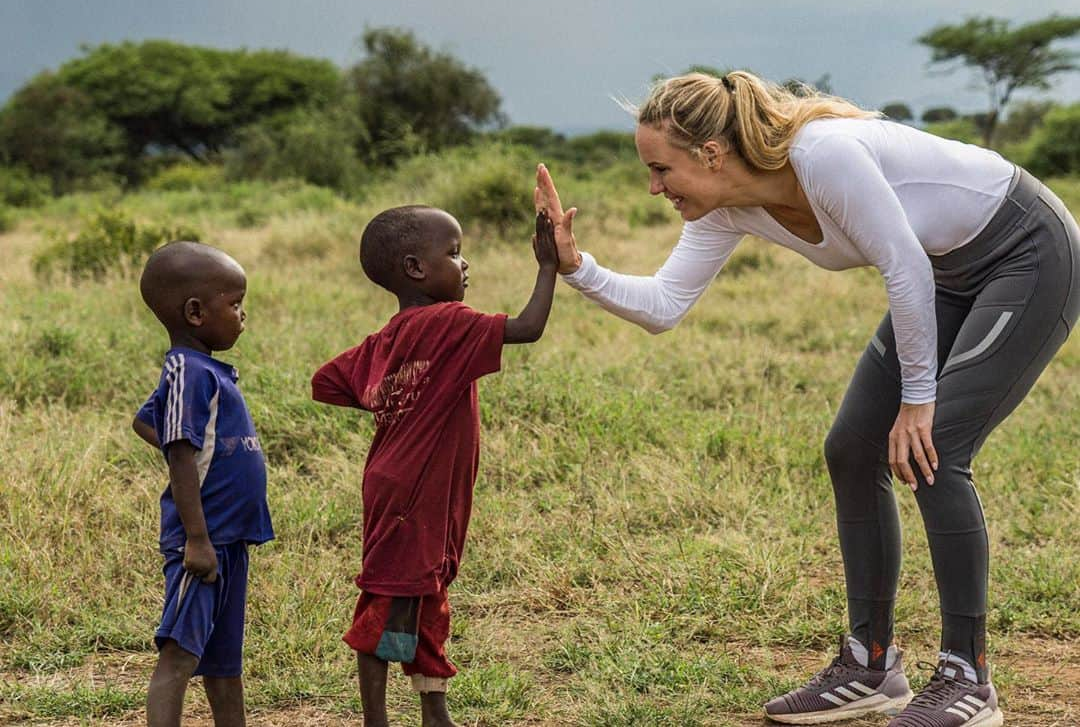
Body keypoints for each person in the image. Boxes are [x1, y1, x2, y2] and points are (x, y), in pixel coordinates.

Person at [535, 71, 1080, 727]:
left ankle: (968, 676)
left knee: (937, 446)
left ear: (711, 153)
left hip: (1026, 249)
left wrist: (917, 400)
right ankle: (870, 663)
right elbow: (663, 305)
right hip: (947, 271)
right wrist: (576, 267)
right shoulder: (728, 206)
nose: (654, 187)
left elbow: (903, 265)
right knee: (852, 448)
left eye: (661, 168)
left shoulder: (822, 155)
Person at [310, 200, 558, 727]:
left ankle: (434, 712)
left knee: (424, 598)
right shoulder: (449, 322)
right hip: (414, 496)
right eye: (454, 252)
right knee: (391, 605)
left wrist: (391, 392)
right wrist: (547, 266)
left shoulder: (388, 338)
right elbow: (529, 327)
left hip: (402, 486)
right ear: (416, 269)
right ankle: (376, 720)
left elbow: (327, 381)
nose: (465, 263)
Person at [132, 241, 274, 727]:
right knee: (180, 653)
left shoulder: (205, 369)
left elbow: (147, 422)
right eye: (233, 304)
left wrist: (196, 453)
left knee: (224, 662)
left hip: (229, 539)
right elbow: (176, 446)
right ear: (195, 312)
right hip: (205, 541)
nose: (242, 315)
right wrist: (196, 537)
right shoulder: (186, 368)